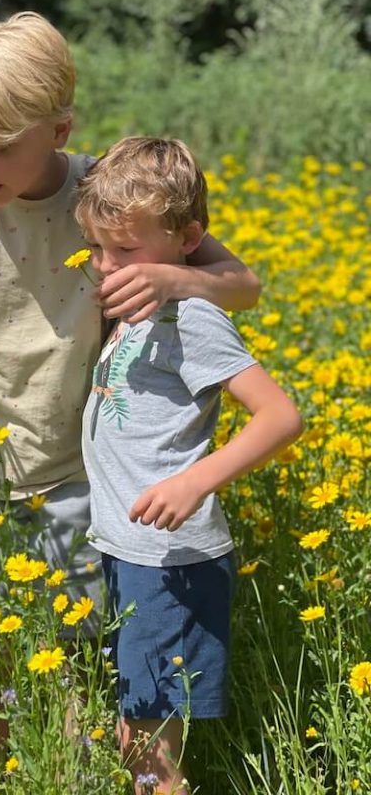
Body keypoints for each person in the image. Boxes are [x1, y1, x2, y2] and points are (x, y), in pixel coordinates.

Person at [0, 12, 261, 678]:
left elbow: (243, 286)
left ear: (59, 131)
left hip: (82, 467)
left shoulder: (107, 194)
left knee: (72, 651)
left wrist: (172, 277)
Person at [75, 136, 302, 795]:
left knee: (151, 756)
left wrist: (194, 481)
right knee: (137, 739)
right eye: (98, 248)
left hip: (170, 561)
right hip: (133, 550)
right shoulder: (136, 304)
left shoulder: (192, 315)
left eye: (126, 250)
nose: (107, 265)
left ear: (187, 241)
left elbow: (281, 417)